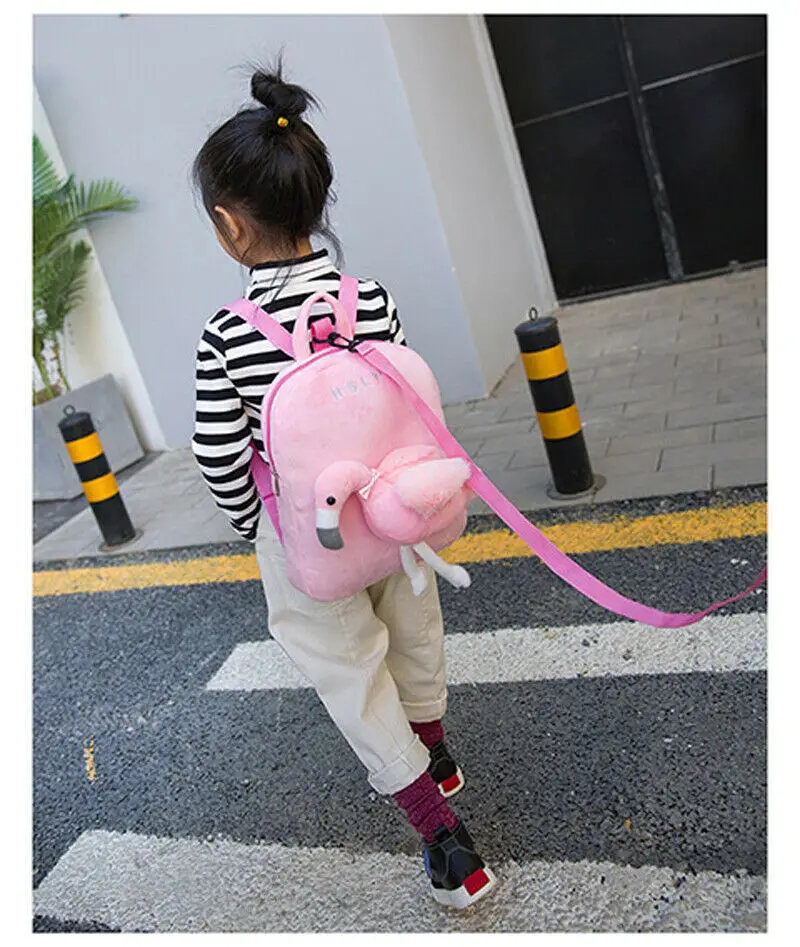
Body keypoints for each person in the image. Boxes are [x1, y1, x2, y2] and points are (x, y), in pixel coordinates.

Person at [190, 62, 497, 910]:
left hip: (307, 537)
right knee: (414, 627)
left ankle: (445, 840)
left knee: (350, 668)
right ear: (316, 201)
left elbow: (218, 453)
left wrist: (254, 526)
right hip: (395, 516)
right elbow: (402, 406)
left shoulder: (226, 334)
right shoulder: (372, 299)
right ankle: (437, 751)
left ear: (229, 226)